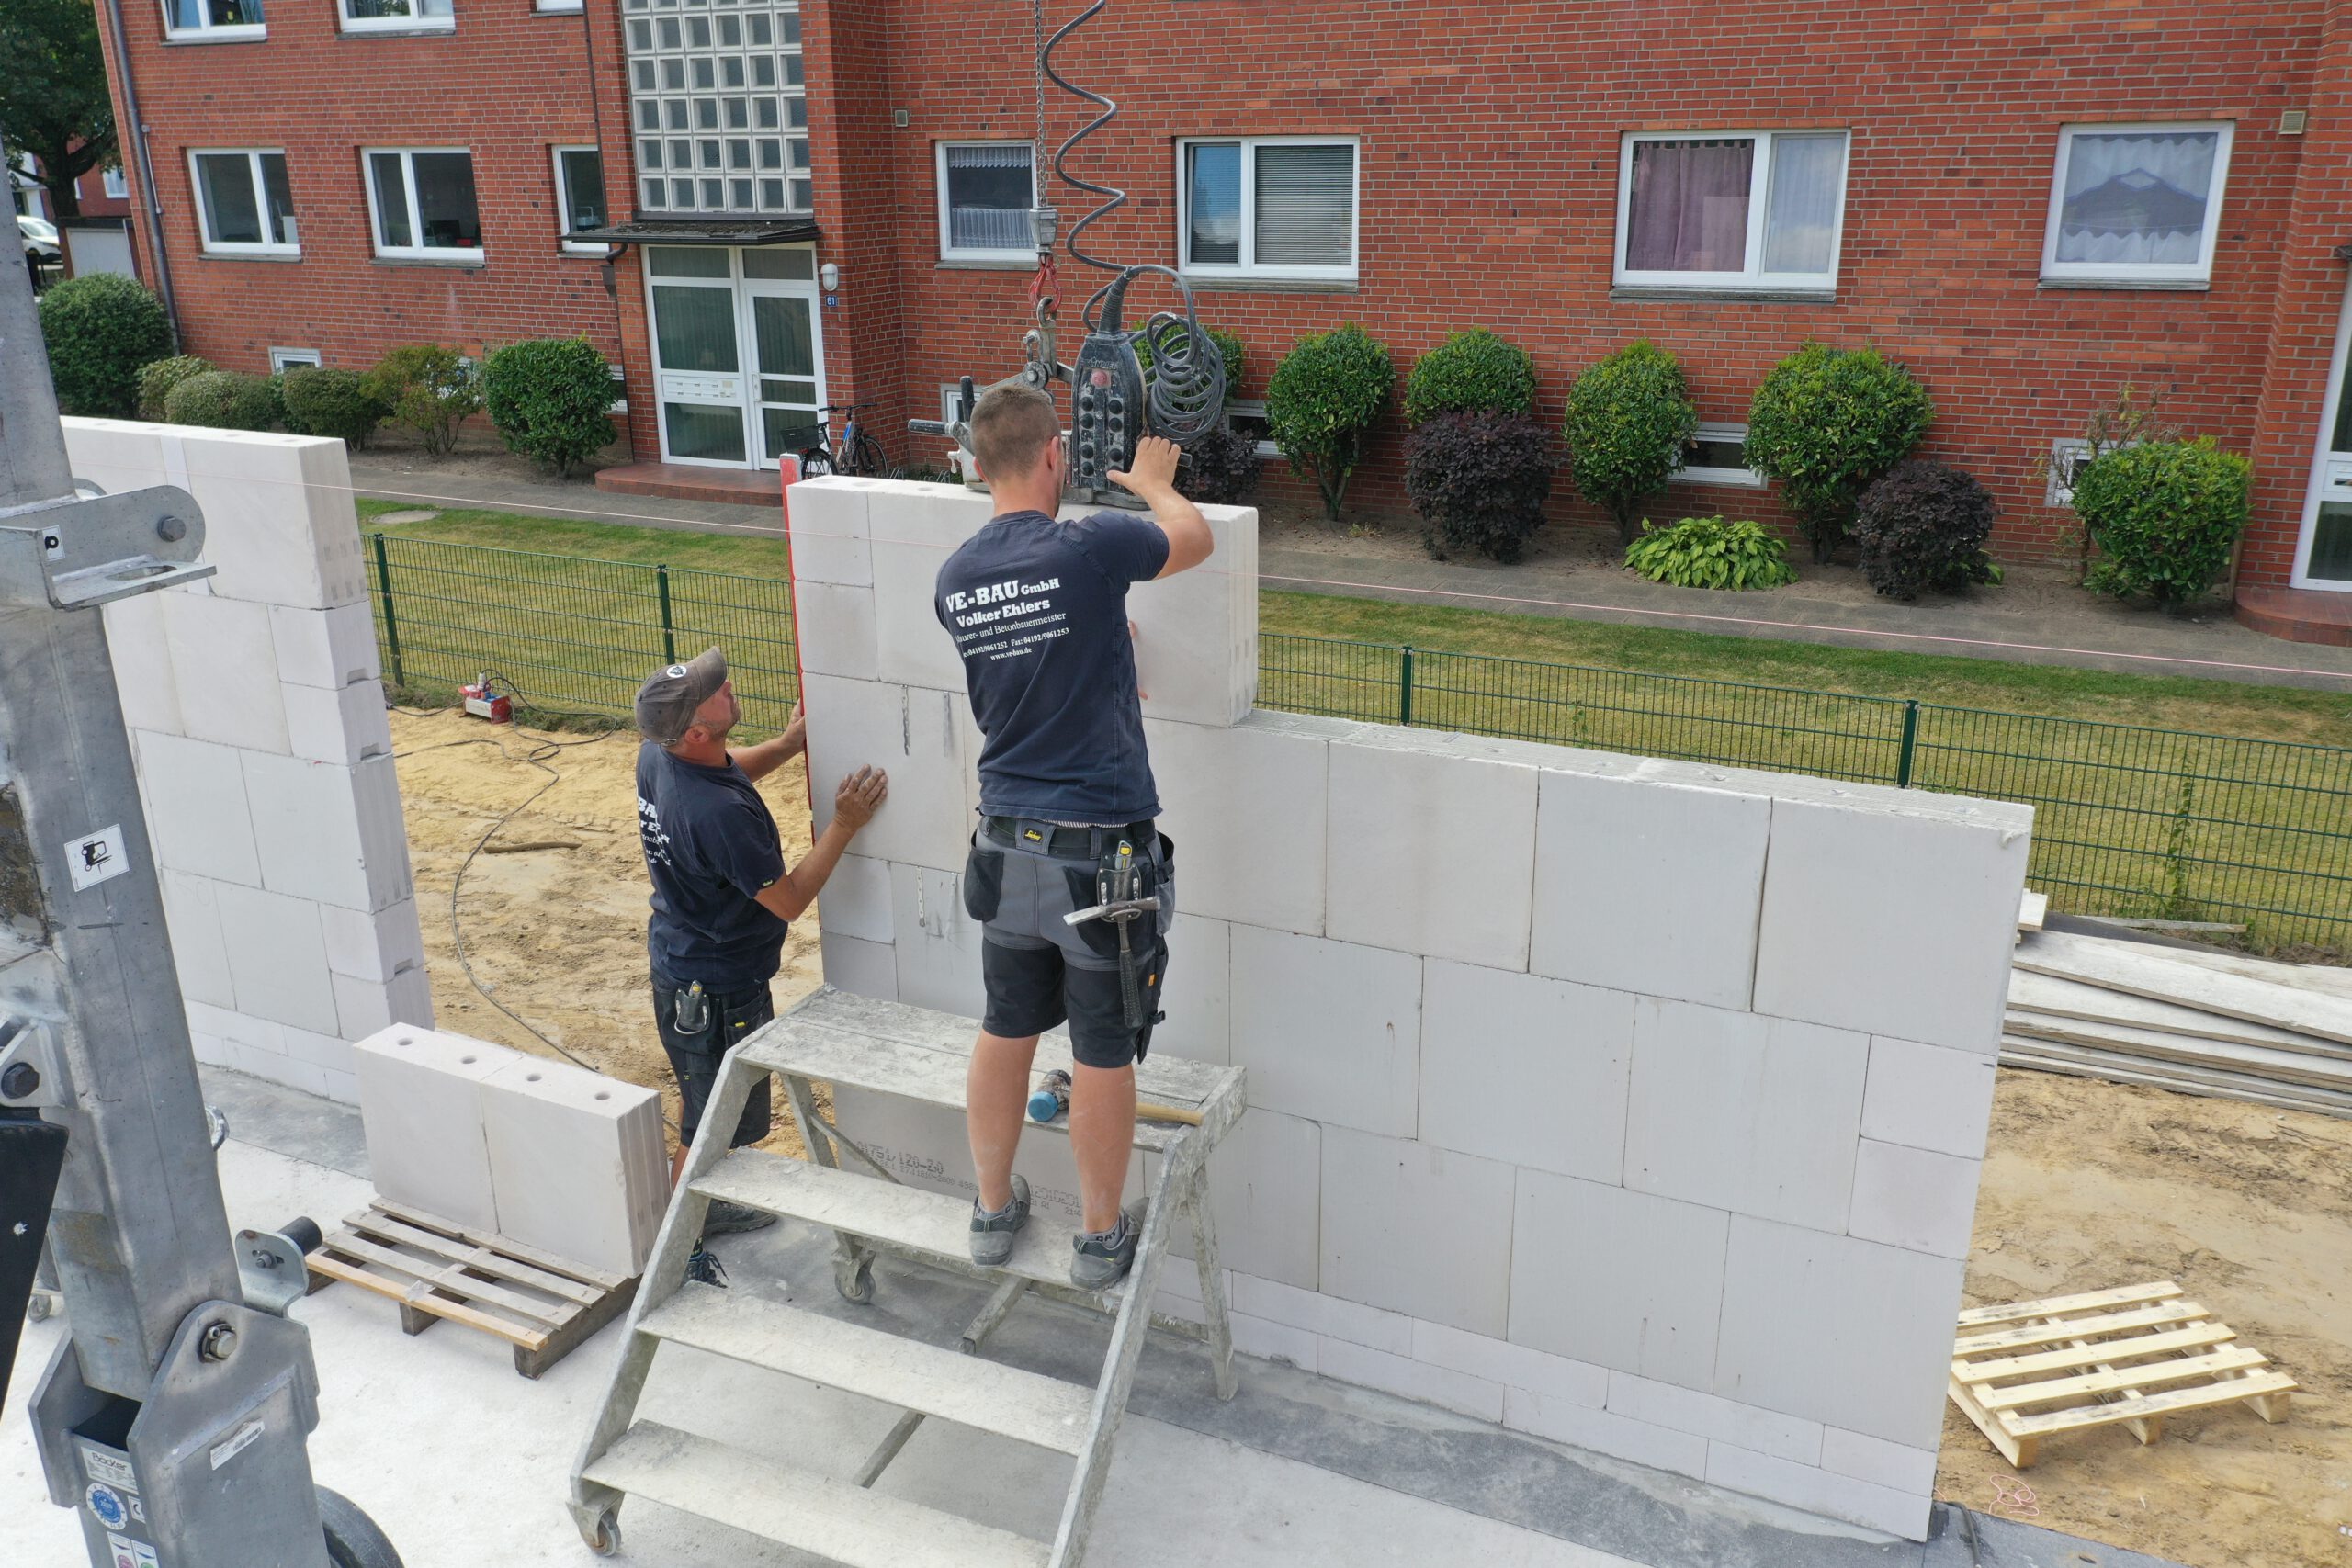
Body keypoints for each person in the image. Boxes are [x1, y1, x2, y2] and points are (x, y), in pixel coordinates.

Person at [933, 387, 1215, 1288]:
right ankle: (1097, 1239)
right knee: (1100, 1052)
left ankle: (990, 1209)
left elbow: (1033, 653)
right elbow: (1194, 540)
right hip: (1099, 860)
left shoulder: (955, 579)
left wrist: (1104, 642)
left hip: (1005, 848)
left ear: (980, 466)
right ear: (1054, 456)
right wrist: (1152, 483)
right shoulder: (1088, 547)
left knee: (1005, 1027)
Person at [634, 647, 887, 1284]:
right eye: (714, 691)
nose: (726, 687)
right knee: (708, 1118)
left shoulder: (661, 754)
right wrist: (846, 822)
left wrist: (786, 745)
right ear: (694, 729)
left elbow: (728, 767)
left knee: (714, 1107)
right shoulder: (717, 817)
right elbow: (791, 897)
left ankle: (705, 1210)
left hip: (683, 956)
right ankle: (680, 1243)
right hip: (715, 984)